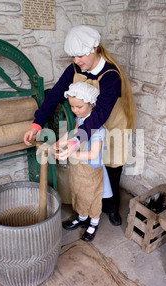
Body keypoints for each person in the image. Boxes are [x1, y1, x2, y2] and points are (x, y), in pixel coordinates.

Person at [24, 25, 136, 226]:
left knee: (110, 167)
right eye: (73, 57)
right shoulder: (74, 69)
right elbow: (56, 95)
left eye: (81, 56)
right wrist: (37, 123)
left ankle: (111, 208)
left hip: (112, 125)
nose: (77, 61)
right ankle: (86, 211)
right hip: (86, 126)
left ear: (94, 49)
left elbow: (100, 113)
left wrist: (76, 141)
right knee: (86, 169)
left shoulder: (111, 75)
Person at [57, 81, 112, 242]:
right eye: (72, 106)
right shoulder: (78, 120)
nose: (75, 110)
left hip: (91, 170)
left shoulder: (97, 128)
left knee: (92, 197)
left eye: (79, 107)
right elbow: (71, 135)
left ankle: (93, 223)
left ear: (91, 103)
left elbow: (94, 154)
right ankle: (81, 218)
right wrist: (54, 145)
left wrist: (71, 154)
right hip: (78, 169)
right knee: (78, 193)